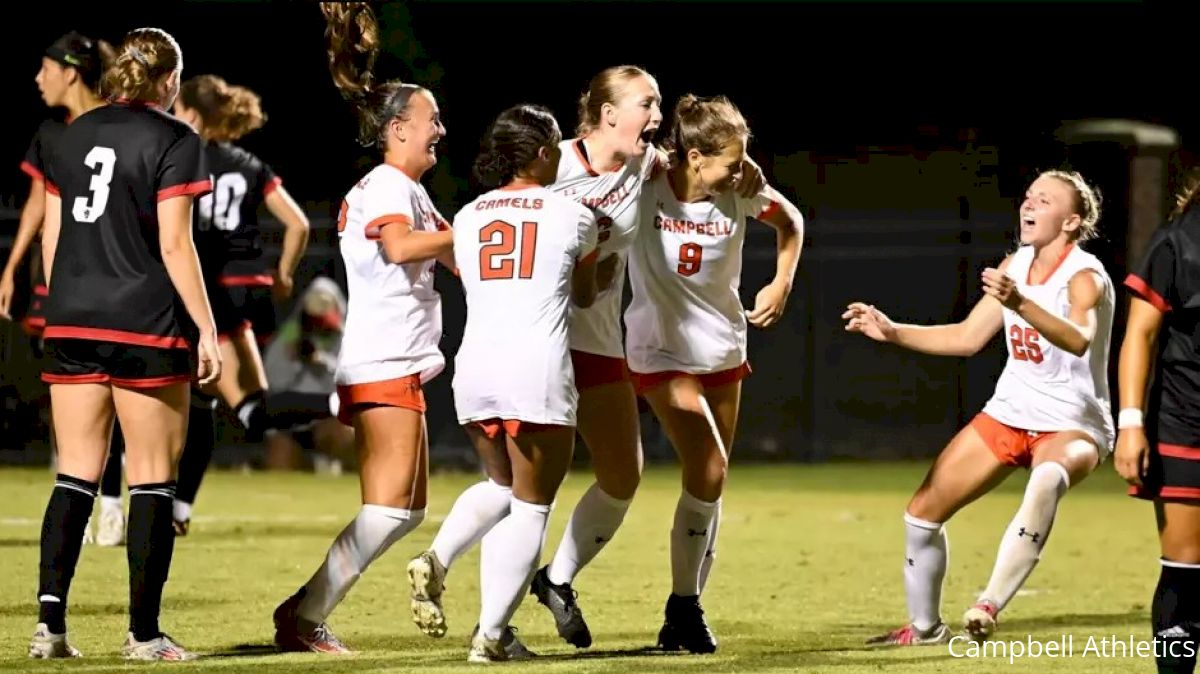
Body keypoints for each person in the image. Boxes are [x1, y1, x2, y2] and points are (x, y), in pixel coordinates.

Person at [844, 170, 1113, 645]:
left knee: (1048, 478)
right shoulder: (1014, 265)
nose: (1029, 205)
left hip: (1073, 423)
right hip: (1010, 412)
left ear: (1071, 222)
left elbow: (1078, 338)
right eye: (1028, 196)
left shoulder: (1085, 276)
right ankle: (925, 629)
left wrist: (1021, 303)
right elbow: (968, 338)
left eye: (1044, 200)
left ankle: (987, 605)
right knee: (922, 515)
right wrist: (893, 331)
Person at [29, 27, 220, 661]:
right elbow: (174, 244)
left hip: (72, 319)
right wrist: (207, 327)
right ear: (169, 81)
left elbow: (51, 242)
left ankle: (50, 630)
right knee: (151, 479)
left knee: (75, 474)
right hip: (144, 322)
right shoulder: (176, 139)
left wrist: (64, 310)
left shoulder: (70, 135)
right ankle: (143, 634)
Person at [270, 2, 452, 655]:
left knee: (407, 510)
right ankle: (304, 614)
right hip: (381, 360)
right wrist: (467, 233)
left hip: (397, 360)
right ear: (398, 128)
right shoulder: (385, 186)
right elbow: (403, 249)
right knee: (387, 508)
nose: (442, 130)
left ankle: (304, 609)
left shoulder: (409, 190)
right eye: (432, 120)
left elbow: (451, 255)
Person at [409, 103, 599, 662]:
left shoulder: (467, 215)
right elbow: (585, 295)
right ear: (542, 153)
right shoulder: (573, 213)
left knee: (500, 487)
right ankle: (490, 638)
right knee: (532, 506)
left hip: (476, 367)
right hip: (534, 367)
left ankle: (439, 558)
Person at [624, 94, 803, 653]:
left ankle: (684, 611)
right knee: (710, 465)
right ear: (695, 156)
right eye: (732, 159)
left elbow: (792, 222)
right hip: (659, 351)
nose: (741, 168)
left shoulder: (740, 190)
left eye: (744, 158)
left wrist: (781, 281)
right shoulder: (646, 181)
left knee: (710, 483)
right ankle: (684, 606)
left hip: (723, 349)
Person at [165, 73, 310, 534]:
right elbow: (300, 225)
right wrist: (284, 273)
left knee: (243, 409)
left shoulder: (179, 159)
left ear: (189, 113)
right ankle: (178, 509)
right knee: (208, 401)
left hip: (207, 291)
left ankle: (331, 402)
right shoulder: (248, 162)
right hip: (252, 288)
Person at [0, 31, 120, 547]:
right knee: (71, 391)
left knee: (118, 390)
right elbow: (36, 205)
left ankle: (112, 503)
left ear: (71, 71)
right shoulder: (53, 134)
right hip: (63, 277)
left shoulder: (122, 126)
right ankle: (79, 488)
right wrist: (12, 266)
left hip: (114, 280)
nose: (37, 78)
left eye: (45, 68)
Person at [1114, 178, 1200, 674]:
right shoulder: (1177, 242)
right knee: (1185, 573)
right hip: (1186, 424)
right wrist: (1130, 424)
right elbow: (1139, 336)